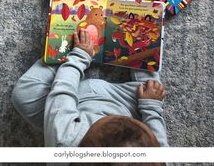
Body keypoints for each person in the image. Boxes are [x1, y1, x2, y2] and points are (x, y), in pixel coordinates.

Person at [12, 29, 168, 150]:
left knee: (24, 95)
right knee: (151, 88)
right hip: (124, 105)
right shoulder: (159, 160)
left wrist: (79, 57)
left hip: (75, 108)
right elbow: (158, 138)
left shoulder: (65, 142)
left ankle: (66, 49)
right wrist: (151, 107)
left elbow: (62, 93)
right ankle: (141, 39)